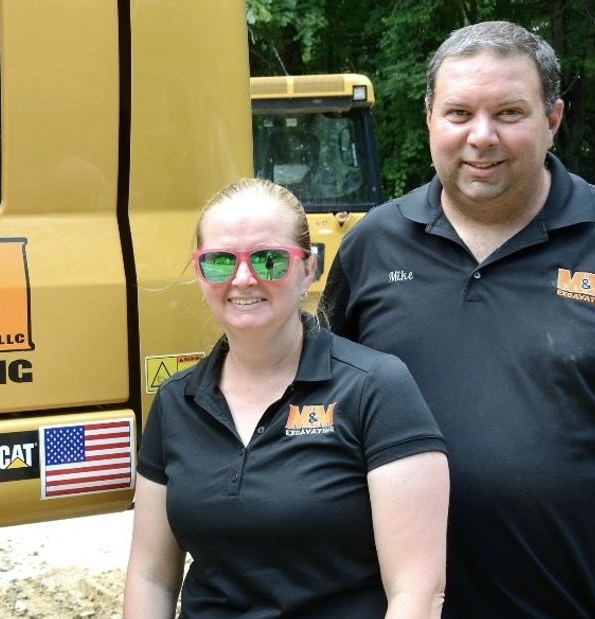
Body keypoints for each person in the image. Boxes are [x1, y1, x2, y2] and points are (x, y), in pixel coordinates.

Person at [320, 20, 595, 618]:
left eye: (508, 112)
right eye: (458, 113)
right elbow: (316, 422)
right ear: (428, 119)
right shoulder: (372, 247)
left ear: (552, 120)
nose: (482, 136)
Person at [124, 178, 450, 618]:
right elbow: (150, 576)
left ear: (309, 268)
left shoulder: (375, 387)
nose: (243, 278)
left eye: (269, 260)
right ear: (199, 273)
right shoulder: (176, 402)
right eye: (219, 262)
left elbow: (417, 591)